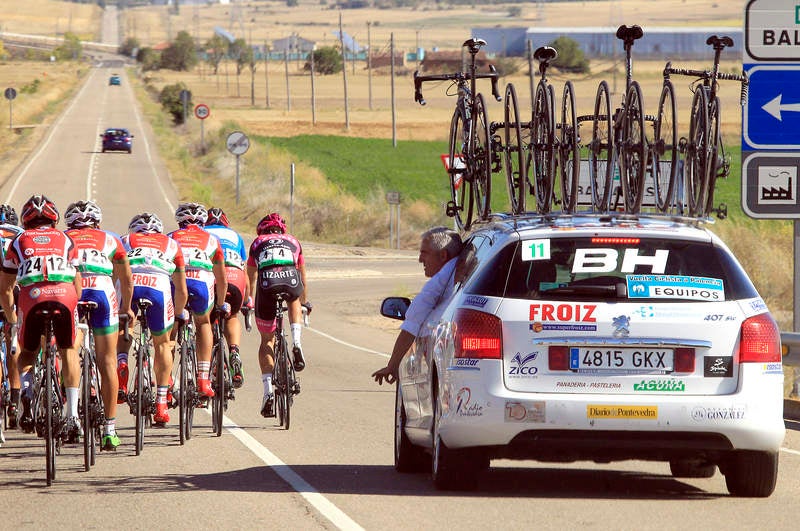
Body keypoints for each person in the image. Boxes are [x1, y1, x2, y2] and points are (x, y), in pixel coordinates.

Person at [0, 195, 83, 440]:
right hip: (64, 296)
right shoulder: (66, 239)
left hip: (33, 297)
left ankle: (26, 395)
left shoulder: (18, 240)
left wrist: (13, 318)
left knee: (26, 352)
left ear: (26, 221)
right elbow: (76, 280)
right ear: (54, 219)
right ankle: (73, 416)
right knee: (68, 349)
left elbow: (5, 288)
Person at [64, 200, 134, 450]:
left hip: (72, 292)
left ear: (69, 223)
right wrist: (126, 309)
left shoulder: (63, 238)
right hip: (102, 293)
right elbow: (126, 279)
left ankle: (71, 415)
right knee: (108, 361)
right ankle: (110, 430)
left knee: (70, 352)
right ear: (98, 222)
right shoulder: (111, 239)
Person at [118, 212, 188, 425]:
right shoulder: (171, 244)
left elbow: (116, 275)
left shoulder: (125, 240)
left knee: (124, 327)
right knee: (162, 345)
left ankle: (122, 363)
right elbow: (182, 291)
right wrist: (177, 316)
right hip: (158, 288)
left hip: (132, 285)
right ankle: (161, 404)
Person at [372, 226, 462, 385]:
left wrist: (392, 366)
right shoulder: (462, 271)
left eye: (424, 253)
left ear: (443, 255)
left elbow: (412, 325)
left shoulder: (438, 283)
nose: (420, 259)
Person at [246, 212, 311, 417]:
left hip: (267, 285)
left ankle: (268, 394)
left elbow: (251, 278)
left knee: (267, 340)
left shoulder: (257, 243)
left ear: (262, 230)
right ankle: (297, 343)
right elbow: (302, 275)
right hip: (291, 280)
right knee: (293, 296)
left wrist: (249, 301)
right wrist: (305, 303)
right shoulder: (293, 241)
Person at [168, 203, 228, 400]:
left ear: (179, 221)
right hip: (202, 283)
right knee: (203, 322)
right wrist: (220, 305)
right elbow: (222, 279)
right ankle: (203, 378)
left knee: (172, 325)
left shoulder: (171, 237)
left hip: (178, 284)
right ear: (203, 222)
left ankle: (166, 379)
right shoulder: (212, 239)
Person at [203, 207, 251, 389]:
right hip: (235, 278)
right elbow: (244, 272)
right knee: (232, 316)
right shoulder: (235, 236)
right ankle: (234, 351)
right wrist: (247, 300)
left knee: (204, 319)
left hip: (214, 278)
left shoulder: (203, 233)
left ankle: (208, 368)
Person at [0, 205, 22, 429]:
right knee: (13, 341)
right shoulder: (19, 235)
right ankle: (16, 401)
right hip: (13, 289)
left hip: (3, 287)